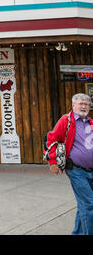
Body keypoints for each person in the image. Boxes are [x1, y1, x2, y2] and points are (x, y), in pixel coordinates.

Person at [47, 93, 93, 235]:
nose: (84, 106)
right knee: (89, 204)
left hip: (91, 170)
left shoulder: (91, 122)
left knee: (83, 206)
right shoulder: (66, 120)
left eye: (87, 104)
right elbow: (52, 140)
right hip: (76, 170)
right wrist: (53, 162)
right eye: (81, 104)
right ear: (73, 105)